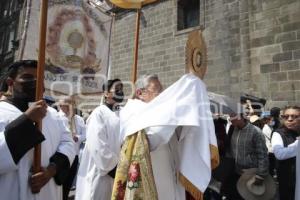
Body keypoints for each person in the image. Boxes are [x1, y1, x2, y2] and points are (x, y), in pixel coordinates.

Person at [112, 74, 218, 200]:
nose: (162, 96)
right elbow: (151, 139)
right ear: (140, 93)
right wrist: (175, 111)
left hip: (171, 173)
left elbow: (180, 134)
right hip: (154, 179)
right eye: (158, 92)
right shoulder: (132, 111)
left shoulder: (160, 112)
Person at [0, 60, 75, 200]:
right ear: (10, 83)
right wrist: (27, 121)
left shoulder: (53, 115)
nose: (35, 82)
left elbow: (68, 144)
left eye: (39, 78)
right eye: (28, 78)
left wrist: (51, 171)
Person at [75, 79, 124, 200]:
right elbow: (97, 144)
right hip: (102, 171)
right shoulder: (99, 113)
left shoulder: (122, 113)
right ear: (106, 93)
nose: (121, 91)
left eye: (122, 89)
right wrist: (112, 167)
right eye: (117, 89)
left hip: (118, 169)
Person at [223, 113, 269, 200]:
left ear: (241, 117)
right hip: (235, 172)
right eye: (230, 116)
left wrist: (261, 175)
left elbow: (263, 154)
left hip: (250, 174)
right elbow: (230, 149)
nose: (230, 119)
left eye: (233, 116)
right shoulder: (233, 129)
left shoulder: (255, 131)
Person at [58, 97, 86, 200]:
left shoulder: (79, 119)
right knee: (60, 183)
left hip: (75, 156)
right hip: (62, 156)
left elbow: (85, 134)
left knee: (68, 183)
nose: (61, 108)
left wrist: (77, 138)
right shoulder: (58, 118)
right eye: (60, 106)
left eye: (64, 105)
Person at [272, 106, 300, 200]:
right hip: (288, 181)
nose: (290, 119)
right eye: (286, 116)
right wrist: (297, 146)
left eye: (294, 116)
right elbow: (280, 154)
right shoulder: (278, 134)